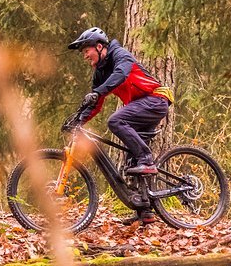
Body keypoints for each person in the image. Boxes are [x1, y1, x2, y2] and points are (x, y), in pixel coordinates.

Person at [66, 26, 173, 224]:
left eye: (85, 51)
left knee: (115, 121)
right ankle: (145, 210)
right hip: (141, 106)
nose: (84, 56)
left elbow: (121, 74)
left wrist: (99, 91)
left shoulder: (120, 55)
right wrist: (78, 120)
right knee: (131, 164)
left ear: (99, 47)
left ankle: (147, 159)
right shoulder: (100, 72)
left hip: (156, 99)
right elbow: (95, 102)